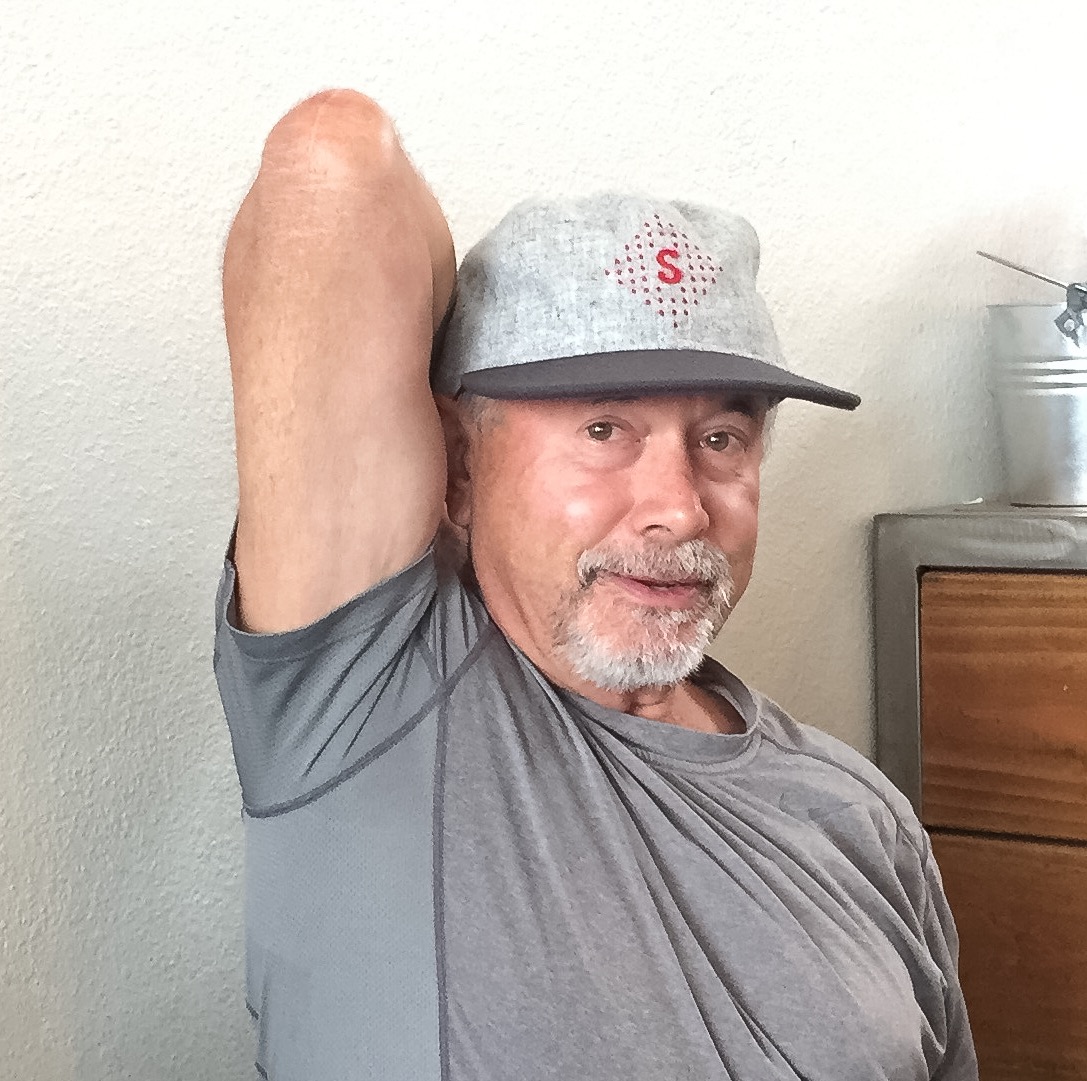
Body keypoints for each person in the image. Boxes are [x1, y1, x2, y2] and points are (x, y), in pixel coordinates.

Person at [215, 89, 978, 1081]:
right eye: (603, 428)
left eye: (720, 438)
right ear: (457, 466)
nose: (678, 508)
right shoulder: (372, 706)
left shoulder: (860, 815)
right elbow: (332, 165)